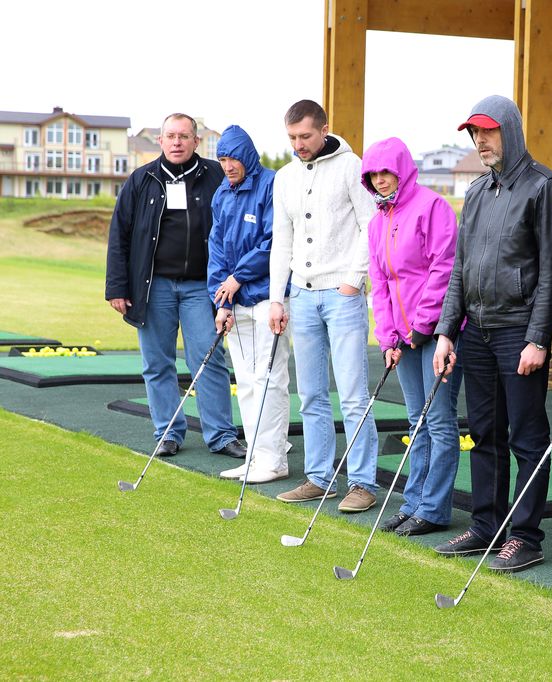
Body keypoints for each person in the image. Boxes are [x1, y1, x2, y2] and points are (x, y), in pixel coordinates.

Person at [431, 95, 552, 573]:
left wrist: (538, 338)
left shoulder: (543, 187)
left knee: (527, 438)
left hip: (519, 333)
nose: (480, 140)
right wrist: (447, 331)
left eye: (488, 131)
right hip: (477, 332)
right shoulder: (475, 192)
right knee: (484, 433)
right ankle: (486, 526)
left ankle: (526, 537)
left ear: (509, 130)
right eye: (475, 133)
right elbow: (460, 268)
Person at [105, 113, 243, 460]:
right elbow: (120, 235)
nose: (177, 142)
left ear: (197, 141)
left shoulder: (216, 176)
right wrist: (117, 287)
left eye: (184, 136)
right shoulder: (142, 179)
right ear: (161, 141)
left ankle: (221, 435)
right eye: (170, 136)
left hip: (201, 287)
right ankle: (167, 433)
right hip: (153, 288)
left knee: (208, 359)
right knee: (157, 363)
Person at [268, 100, 379, 513]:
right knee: (311, 394)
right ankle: (319, 478)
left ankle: (362, 483)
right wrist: (277, 297)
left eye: (305, 136)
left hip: (342, 296)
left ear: (324, 129)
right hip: (301, 295)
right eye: (292, 137)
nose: (299, 144)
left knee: (352, 395)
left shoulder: (352, 167)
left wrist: (354, 280)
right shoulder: (284, 177)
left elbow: (371, 225)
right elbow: (283, 239)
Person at [361, 136, 461, 536]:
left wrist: (423, 326)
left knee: (438, 421)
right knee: (415, 421)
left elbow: (444, 268)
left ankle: (434, 509)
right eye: (374, 175)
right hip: (403, 337)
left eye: (387, 172)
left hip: (436, 333)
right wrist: (388, 338)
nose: (381, 180)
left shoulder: (432, 207)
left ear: (402, 170)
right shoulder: (376, 222)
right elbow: (380, 283)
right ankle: (413, 502)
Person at [207, 124, 291, 484]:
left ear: (247, 156)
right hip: (236, 301)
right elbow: (216, 247)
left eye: (233, 158)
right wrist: (221, 299)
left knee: (269, 379)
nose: (228, 166)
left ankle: (274, 459)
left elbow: (274, 241)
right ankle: (256, 456)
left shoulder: (271, 184)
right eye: (222, 160)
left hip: (268, 297)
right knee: (245, 381)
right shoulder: (221, 193)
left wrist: (237, 278)